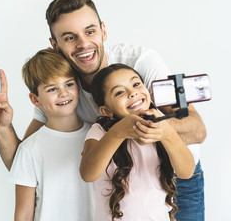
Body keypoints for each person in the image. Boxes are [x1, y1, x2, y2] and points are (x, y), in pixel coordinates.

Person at [0, 0, 207, 221]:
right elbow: (27, 162)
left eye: (90, 31)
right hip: (118, 188)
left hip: (172, 178)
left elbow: (197, 129)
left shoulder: (140, 63)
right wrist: (2, 129)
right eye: (69, 37)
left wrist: (154, 128)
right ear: (55, 45)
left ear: (103, 30)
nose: (83, 44)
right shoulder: (62, 87)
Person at [0, 48, 95, 221]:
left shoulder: (97, 136)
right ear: (35, 99)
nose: (63, 93)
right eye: (52, 89)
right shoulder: (30, 148)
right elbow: (23, 214)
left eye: (69, 84)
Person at [80, 64, 195, 221]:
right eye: (119, 92)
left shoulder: (161, 126)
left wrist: (168, 135)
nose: (132, 93)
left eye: (136, 84)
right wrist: (117, 133)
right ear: (106, 111)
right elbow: (88, 173)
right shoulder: (100, 132)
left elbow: (186, 172)